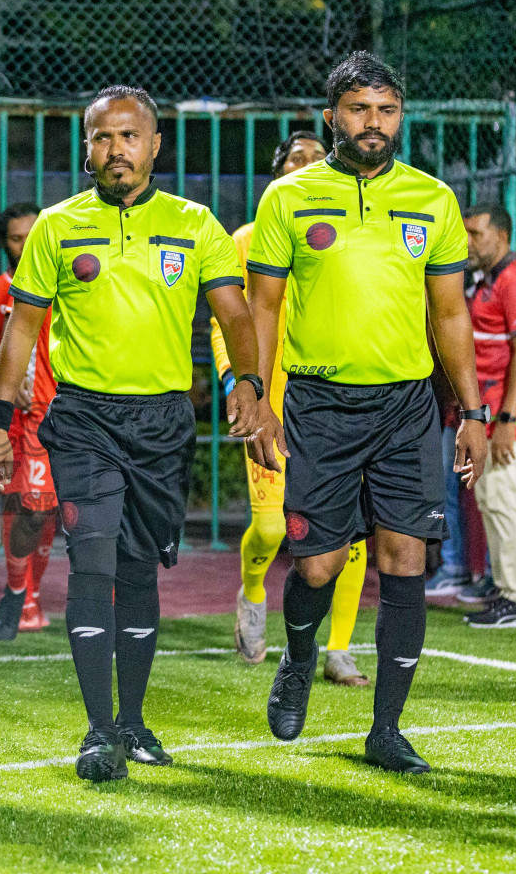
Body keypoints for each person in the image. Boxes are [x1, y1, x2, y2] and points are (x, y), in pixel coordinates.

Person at [0, 85, 277, 782]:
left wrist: (249, 384)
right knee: (93, 559)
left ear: (154, 145)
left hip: (162, 421)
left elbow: (237, 318)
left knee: (141, 567)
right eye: (103, 138)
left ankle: (133, 722)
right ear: (86, 148)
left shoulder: (195, 224)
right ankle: (95, 731)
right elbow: (21, 331)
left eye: (130, 137)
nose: (117, 150)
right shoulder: (56, 227)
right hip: (84, 418)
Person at [247, 51, 486, 775]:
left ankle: (386, 729)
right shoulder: (288, 199)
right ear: (332, 117)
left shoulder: (433, 199)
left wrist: (473, 409)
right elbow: (262, 305)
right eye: (358, 109)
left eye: (385, 110)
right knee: (317, 565)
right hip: (319, 404)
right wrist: (255, 397)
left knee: (403, 557)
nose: (373, 124)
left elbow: (449, 314)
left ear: (400, 116)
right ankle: (296, 660)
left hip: (407, 406)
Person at [213, 132, 371, 686]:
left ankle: (340, 648)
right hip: (271, 401)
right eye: (294, 160)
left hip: (335, 405)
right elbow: (226, 323)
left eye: (314, 159)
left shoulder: (346, 233)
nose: (306, 168)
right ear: (276, 173)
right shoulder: (248, 238)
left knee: (351, 533)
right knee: (272, 526)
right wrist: (238, 381)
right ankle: (253, 591)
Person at [0, 202, 61, 639]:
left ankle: (29, 591)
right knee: (23, 506)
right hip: (13, 419)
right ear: (4, 244)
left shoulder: (66, 286)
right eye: (16, 237)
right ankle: (19, 592)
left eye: (34, 235)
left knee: (48, 511)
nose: (26, 244)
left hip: (60, 414)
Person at [461, 204, 516, 628]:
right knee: (491, 497)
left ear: (502, 235)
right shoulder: (490, 280)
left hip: (509, 411)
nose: (469, 241)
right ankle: (508, 589)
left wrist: (509, 418)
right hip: (494, 409)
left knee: (506, 497)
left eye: (476, 233)